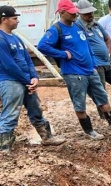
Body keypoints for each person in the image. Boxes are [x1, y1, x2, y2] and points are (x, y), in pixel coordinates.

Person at [38, 0, 111, 140]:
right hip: (74, 73)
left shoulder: (78, 27)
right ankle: (89, 131)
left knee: (102, 97)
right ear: (62, 12)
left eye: (75, 11)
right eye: (71, 12)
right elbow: (42, 46)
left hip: (90, 70)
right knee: (80, 103)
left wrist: (93, 64)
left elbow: (87, 47)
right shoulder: (56, 29)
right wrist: (63, 54)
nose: (75, 14)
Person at [0, 5, 65, 152]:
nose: (17, 21)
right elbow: (9, 66)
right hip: (10, 82)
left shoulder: (16, 38)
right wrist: (27, 81)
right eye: (15, 18)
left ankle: (47, 138)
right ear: (4, 19)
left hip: (26, 81)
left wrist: (34, 77)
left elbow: (28, 60)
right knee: (10, 113)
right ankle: (4, 148)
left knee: (36, 110)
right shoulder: (1, 39)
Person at [75, 0, 111, 117]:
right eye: (87, 13)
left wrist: (109, 50)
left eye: (91, 12)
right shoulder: (77, 27)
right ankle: (104, 115)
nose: (90, 15)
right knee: (101, 91)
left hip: (106, 62)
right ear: (79, 14)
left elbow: (107, 38)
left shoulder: (96, 25)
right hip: (95, 64)